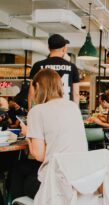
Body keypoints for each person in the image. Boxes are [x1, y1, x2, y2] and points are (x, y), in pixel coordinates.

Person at [9, 69, 88, 200]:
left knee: (17, 170)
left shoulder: (37, 111)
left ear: (38, 86)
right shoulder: (73, 107)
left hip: (55, 188)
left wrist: (28, 133)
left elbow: (39, 156)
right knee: (22, 169)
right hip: (78, 181)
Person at [28, 34, 80, 110]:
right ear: (64, 49)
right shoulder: (72, 67)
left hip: (44, 109)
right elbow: (76, 94)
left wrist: (30, 111)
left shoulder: (38, 65)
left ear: (49, 48)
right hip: (66, 109)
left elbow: (32, 92)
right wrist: (75, 112)